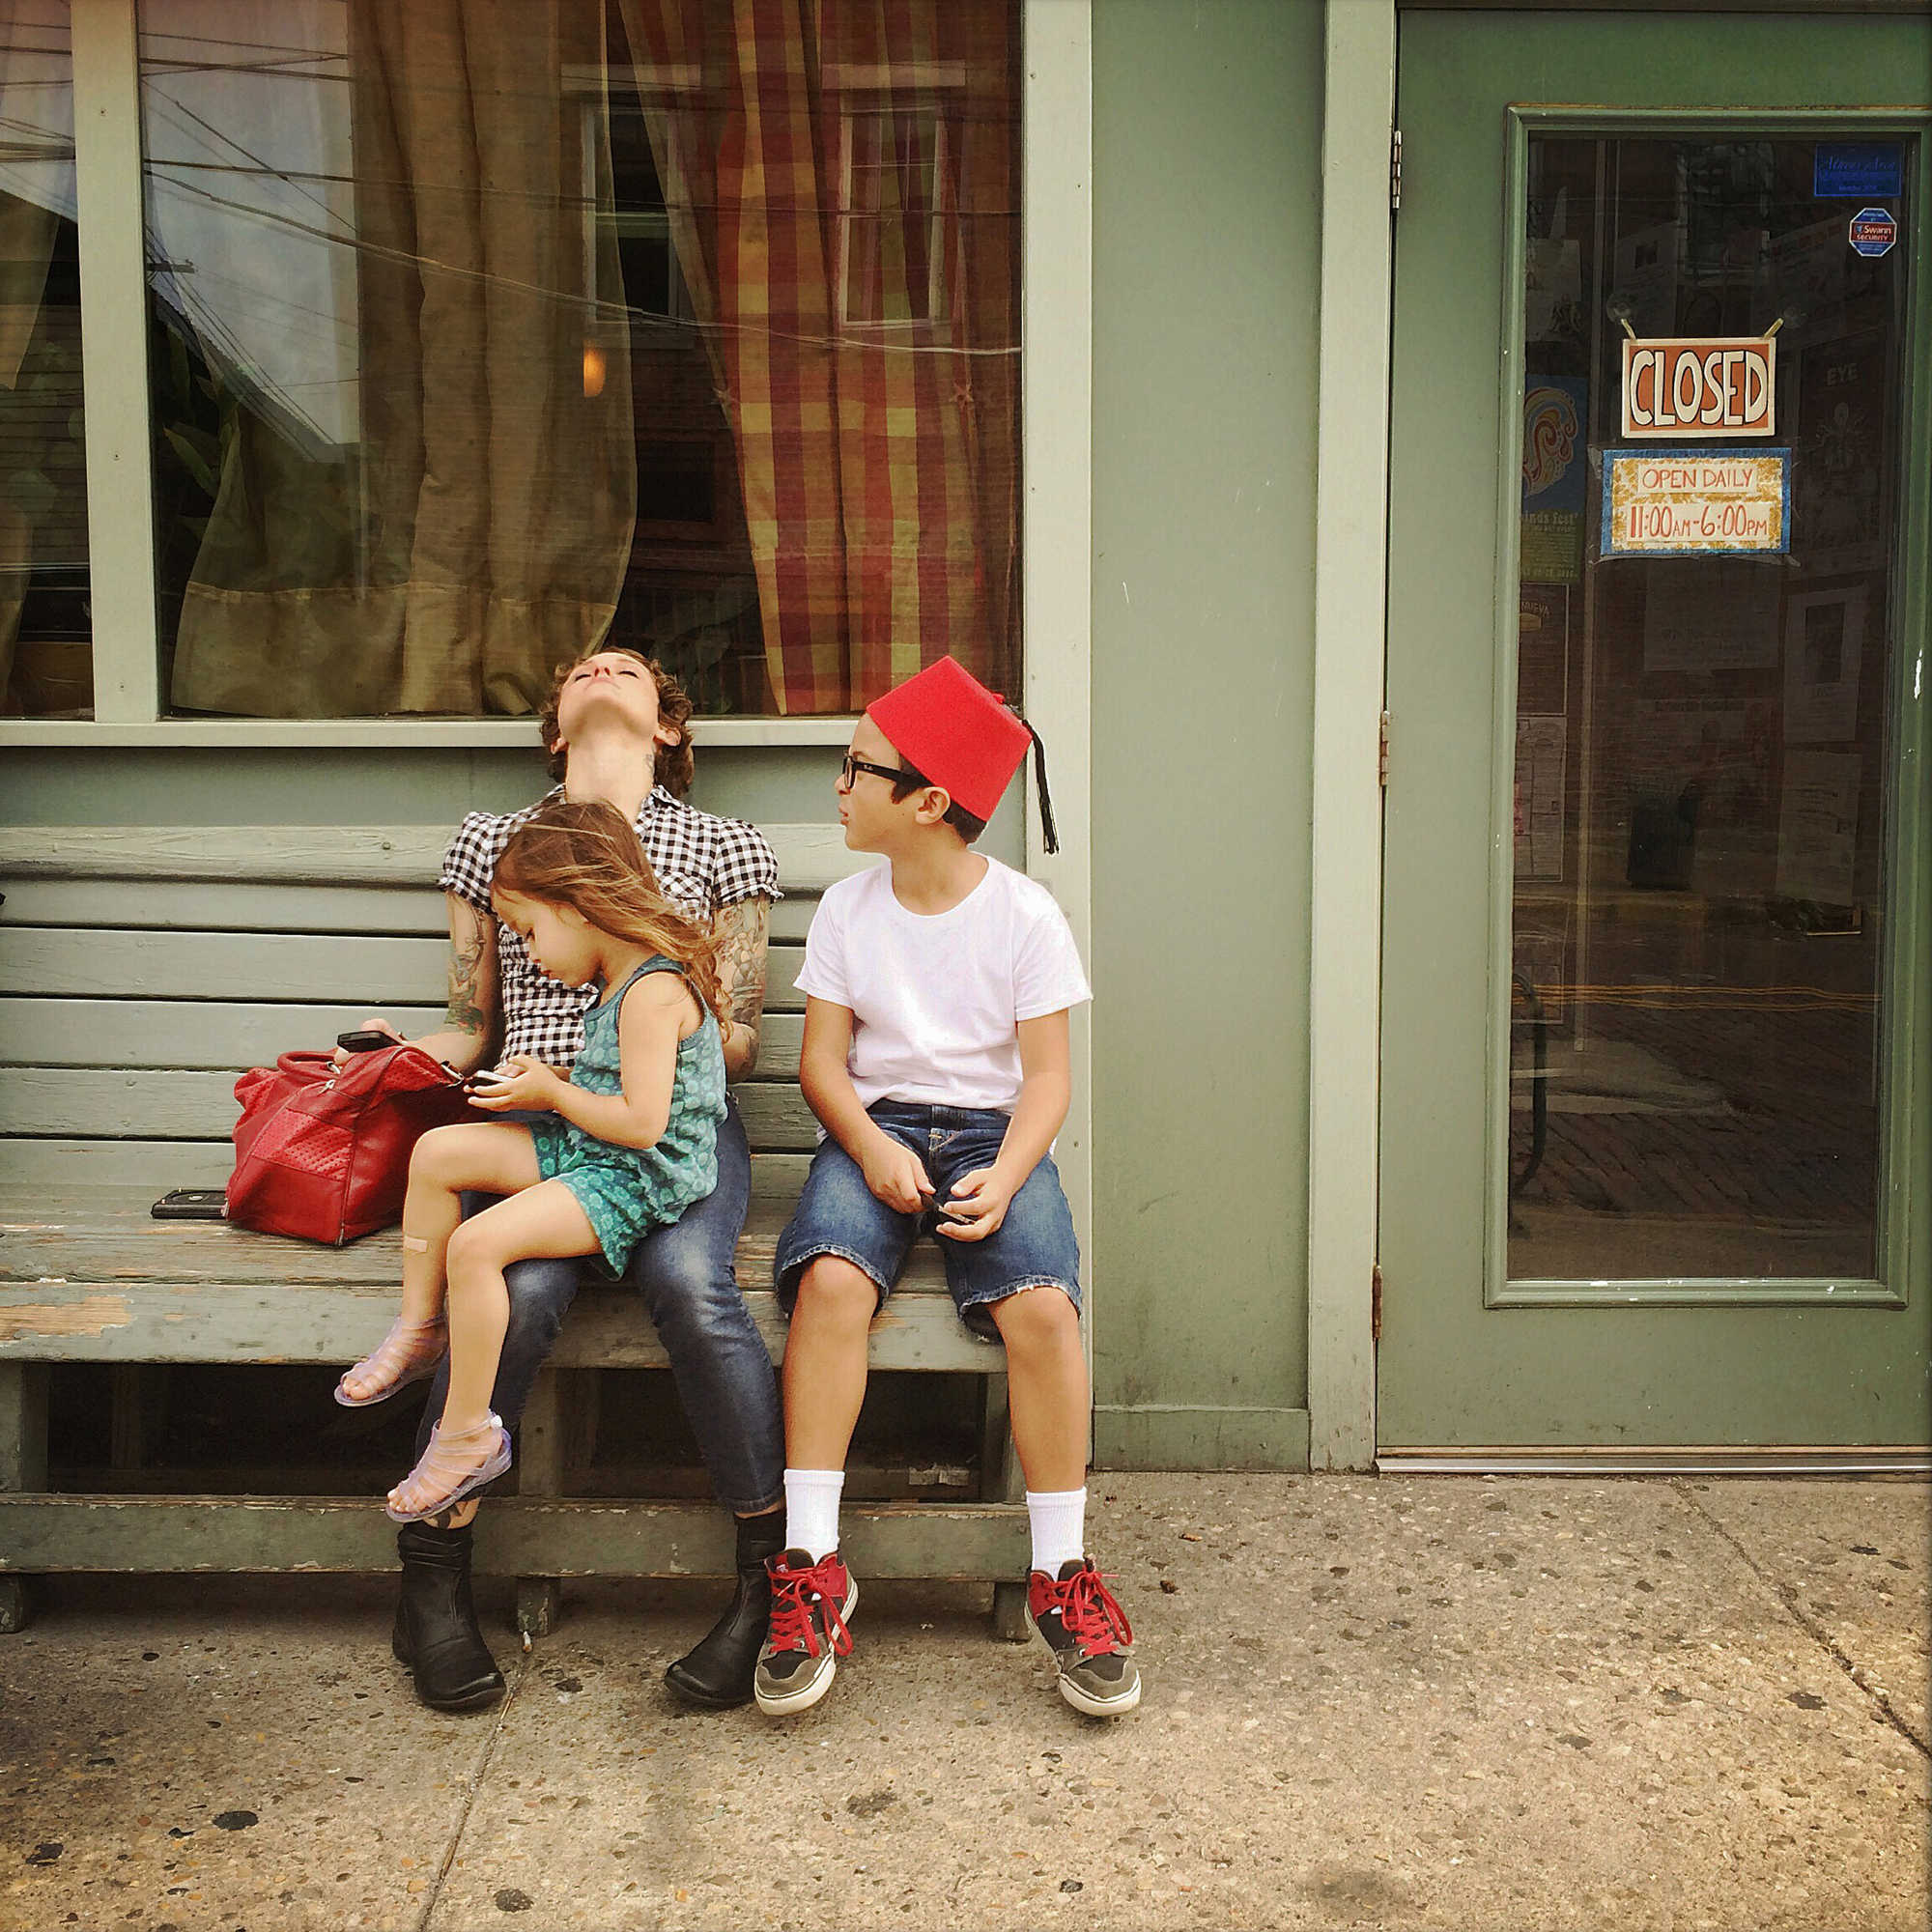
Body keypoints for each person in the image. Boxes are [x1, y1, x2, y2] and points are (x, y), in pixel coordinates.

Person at [347, 649, 785, 1715]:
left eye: (628, 666)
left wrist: (641, 1019)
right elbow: (470, 1018)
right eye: (584, 667)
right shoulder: (495, 841)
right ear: (553, 729)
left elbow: (737, 1036)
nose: (604, 664)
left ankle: (772, 1579)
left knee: (690, 1282)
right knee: (517, 1287)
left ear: (667, 729)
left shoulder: (723, 845)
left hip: (662, 1123)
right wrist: (410, 1059)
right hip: (531, 1115)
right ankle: (433, 1578)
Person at [758, 655, 1139, 1719]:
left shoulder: (1023, 916)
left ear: (926, 801)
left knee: (1042, 1310)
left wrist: (1007, 1175)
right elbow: (822, 1065)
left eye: (854, 767)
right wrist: (870, 1151)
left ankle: (1061, 1573)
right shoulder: (846, 908)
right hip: (872, 1129)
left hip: (991, 1134)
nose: (835, 783)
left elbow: (1047, 1078)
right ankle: (811, 1563)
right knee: (830, 1284)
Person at [337, 800, 727, 1536]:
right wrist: (542, 1084)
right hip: (593, 1147)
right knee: (437, 1152)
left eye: (528, 930)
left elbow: (644, 1126)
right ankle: (421, 1330)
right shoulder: (620, 977)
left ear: (580, 905)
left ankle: (466, 1437)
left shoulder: (652, 990)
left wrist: (550, 1089)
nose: (528, 952)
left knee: (476, 1246)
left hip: (636, 1177)